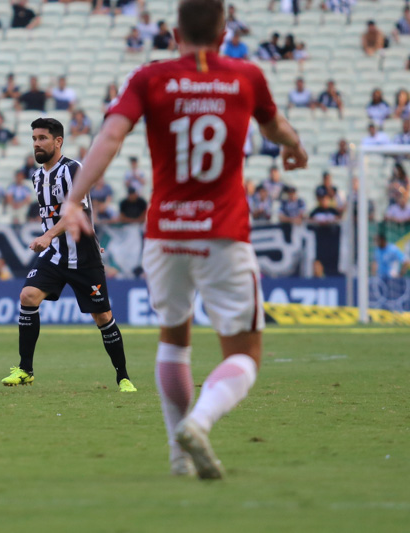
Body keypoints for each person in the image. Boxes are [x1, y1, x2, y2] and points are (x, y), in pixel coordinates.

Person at [60, 0, 307, 479]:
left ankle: (178, 456)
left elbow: (111, 135)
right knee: (245, 354)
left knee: (174, 339)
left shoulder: (150, 78)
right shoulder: (246, 77)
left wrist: (74, 200)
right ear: (223, 33)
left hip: (167, 234)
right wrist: (295, 147)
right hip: (224, 235)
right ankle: (199, 421)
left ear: (175, 35)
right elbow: (275, 127)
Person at [2, 117, 137, 393]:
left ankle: (123, 376)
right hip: (54, 255)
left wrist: (50, 235)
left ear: (58, 141)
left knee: (102, 317)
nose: (37, 144)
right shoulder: (37, 176)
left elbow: (76, 210)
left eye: (42, 138)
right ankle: (25, 370)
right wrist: (50, 236)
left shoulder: (74, 169)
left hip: (84, 257)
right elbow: (51, 216)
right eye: (34, 139)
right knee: (28, 296)